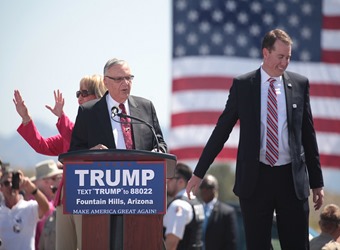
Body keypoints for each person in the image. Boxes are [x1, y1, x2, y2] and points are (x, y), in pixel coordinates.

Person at [185, 28, 324, 250]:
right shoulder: (244, 85)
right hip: (256, 179)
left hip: (291, 179)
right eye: (280, 56)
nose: (285, 63)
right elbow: (221, 131)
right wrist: (198, 173)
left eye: (288, 57)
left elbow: (308, 134)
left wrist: (317, 182)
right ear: (265, 53)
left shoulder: (299, 84)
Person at [69, 58, 167, 249]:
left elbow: (161, 143)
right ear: (105, 81)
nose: (126, 83)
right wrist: (90, 153)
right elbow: (74, 152)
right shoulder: (89, 112)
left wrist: (157, 152)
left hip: (142, 193)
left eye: (129, 78)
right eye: (119, 79)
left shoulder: (145, 107)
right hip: (103, 196)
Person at [13, 74, 106, 250]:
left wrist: (61, 117)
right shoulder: (71, 128)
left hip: (88, 197)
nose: (79, 97)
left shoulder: (105, 126)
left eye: (84, 93)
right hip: (65, 198)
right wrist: (26, 118)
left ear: (99, 95)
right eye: (78, 93)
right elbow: (42, 145)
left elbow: (78, 141)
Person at [0, 168, 50, 250]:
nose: (11, 186)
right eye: (6, 183)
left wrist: (31, 187)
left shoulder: (29, 207)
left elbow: (45, 207)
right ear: (1, 188)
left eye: (13, 182)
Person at [163, 163, 204, 250]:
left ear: (181, 182)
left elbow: (171, 243)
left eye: (170, 179)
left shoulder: (178, 205)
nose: (166, 182)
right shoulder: (195, 202)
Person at [199, 174, 237, 250]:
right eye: (202, 187)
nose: (204, 190)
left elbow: (231, 242)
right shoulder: (196, 210)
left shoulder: (226, 212)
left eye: (208, 187)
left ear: (216, 189)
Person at [31, 159, 62, 250]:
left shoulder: (51, 201)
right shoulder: (37, 205)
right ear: (44, 182)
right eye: (54, 178)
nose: (58, 181)